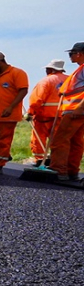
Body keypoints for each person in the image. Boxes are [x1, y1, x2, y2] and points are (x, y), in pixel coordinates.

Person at [48, 42, 84, 182]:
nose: (70, 57)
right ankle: (71, 171)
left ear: (79, 54)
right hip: (76, 111)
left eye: (71, 54)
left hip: (75, 111)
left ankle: (58, 171)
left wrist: (80, 107)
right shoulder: (80, 69)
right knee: (75, 142)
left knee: (60, 140)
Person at [26, 59, 68, 166]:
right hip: (63, 116)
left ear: (51, 69)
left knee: (39, 138)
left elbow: (37, 99)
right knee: (58, 140)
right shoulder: (70, 80)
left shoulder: (46, 81)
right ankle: (56, 161)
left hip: (44, 116)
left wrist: (30, 112)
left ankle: (40, 160)